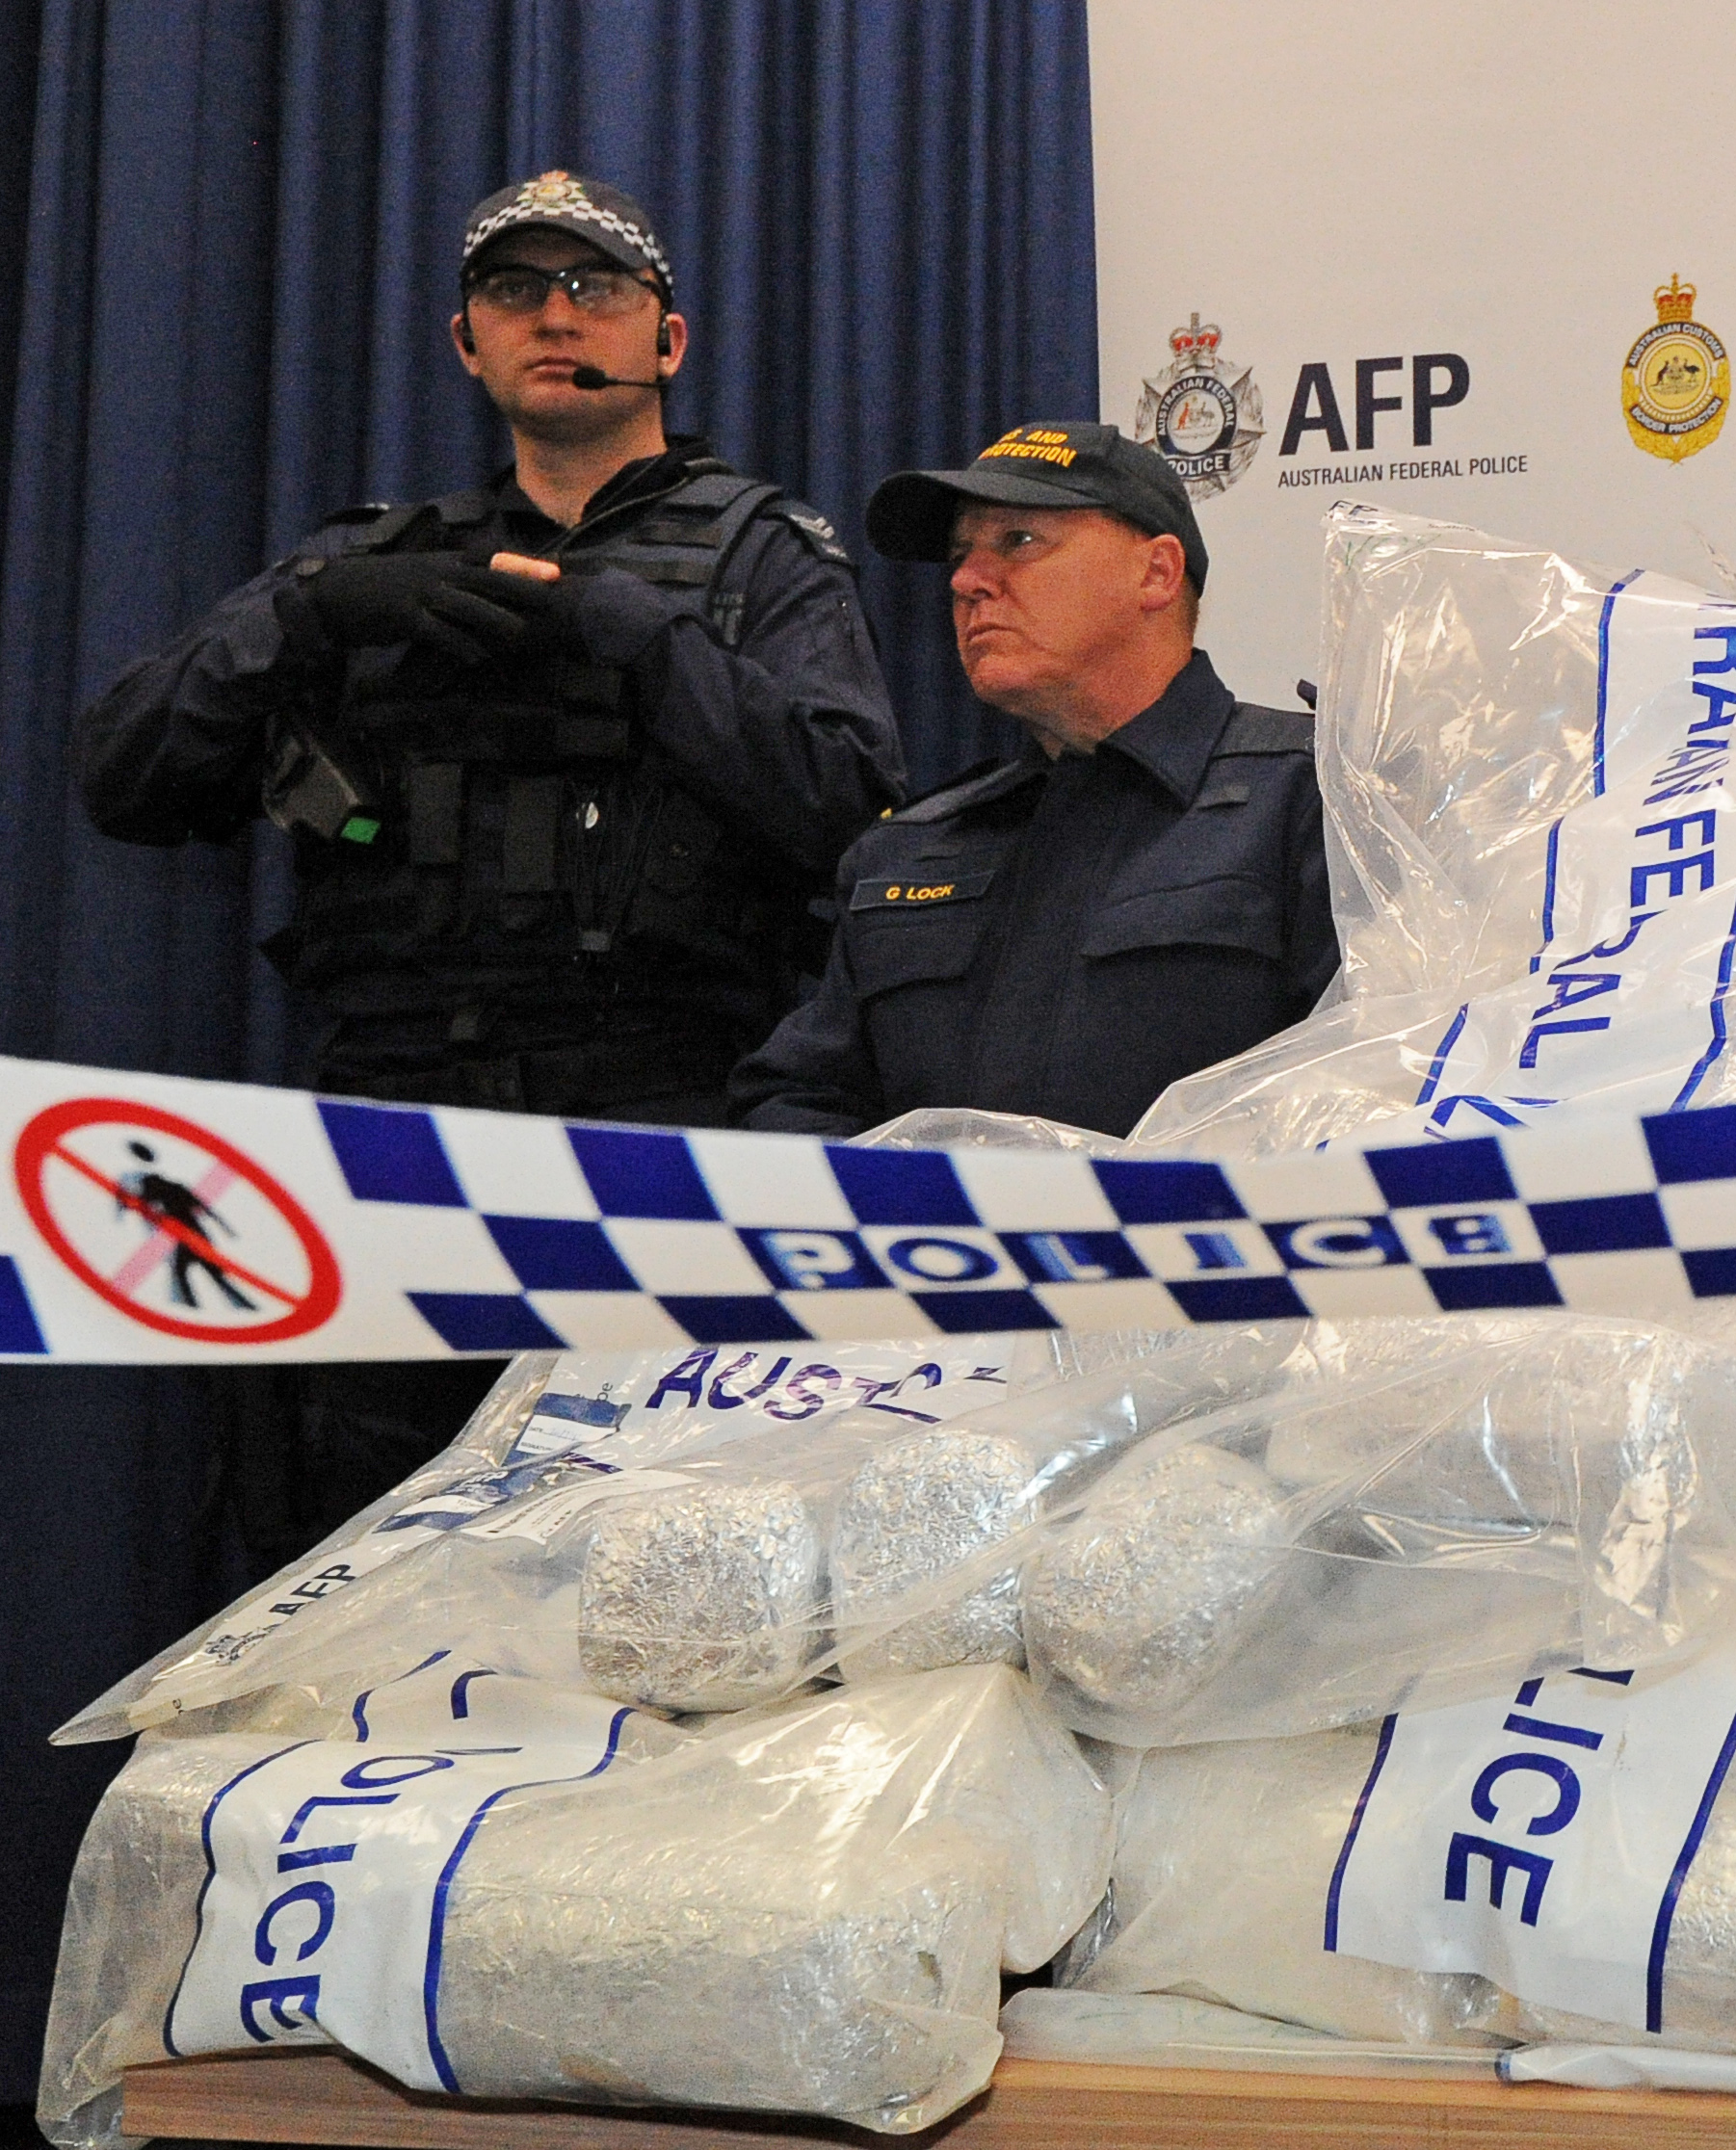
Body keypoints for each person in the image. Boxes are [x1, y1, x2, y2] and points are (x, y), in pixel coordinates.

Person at [72, 170, 906, 1560]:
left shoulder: (761, 560)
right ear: (467, 344)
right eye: (514, 292)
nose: (554, 316)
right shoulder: (367, 564)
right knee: (350, 1574)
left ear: (666, 340)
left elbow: (853, 815)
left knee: (661, 1574)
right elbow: (124, 775)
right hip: (390, 1142)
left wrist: (652, 645)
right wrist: (305, 617)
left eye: (595, 288)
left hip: (659, 1127)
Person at [731, 421, 1335, 1138]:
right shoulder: (909, 851)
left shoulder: (1316, 798)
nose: (964, 581)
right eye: (960, 555)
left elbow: (1390, 1082)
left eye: (1017, 542)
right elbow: (799, 1097)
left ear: (1156, 573)